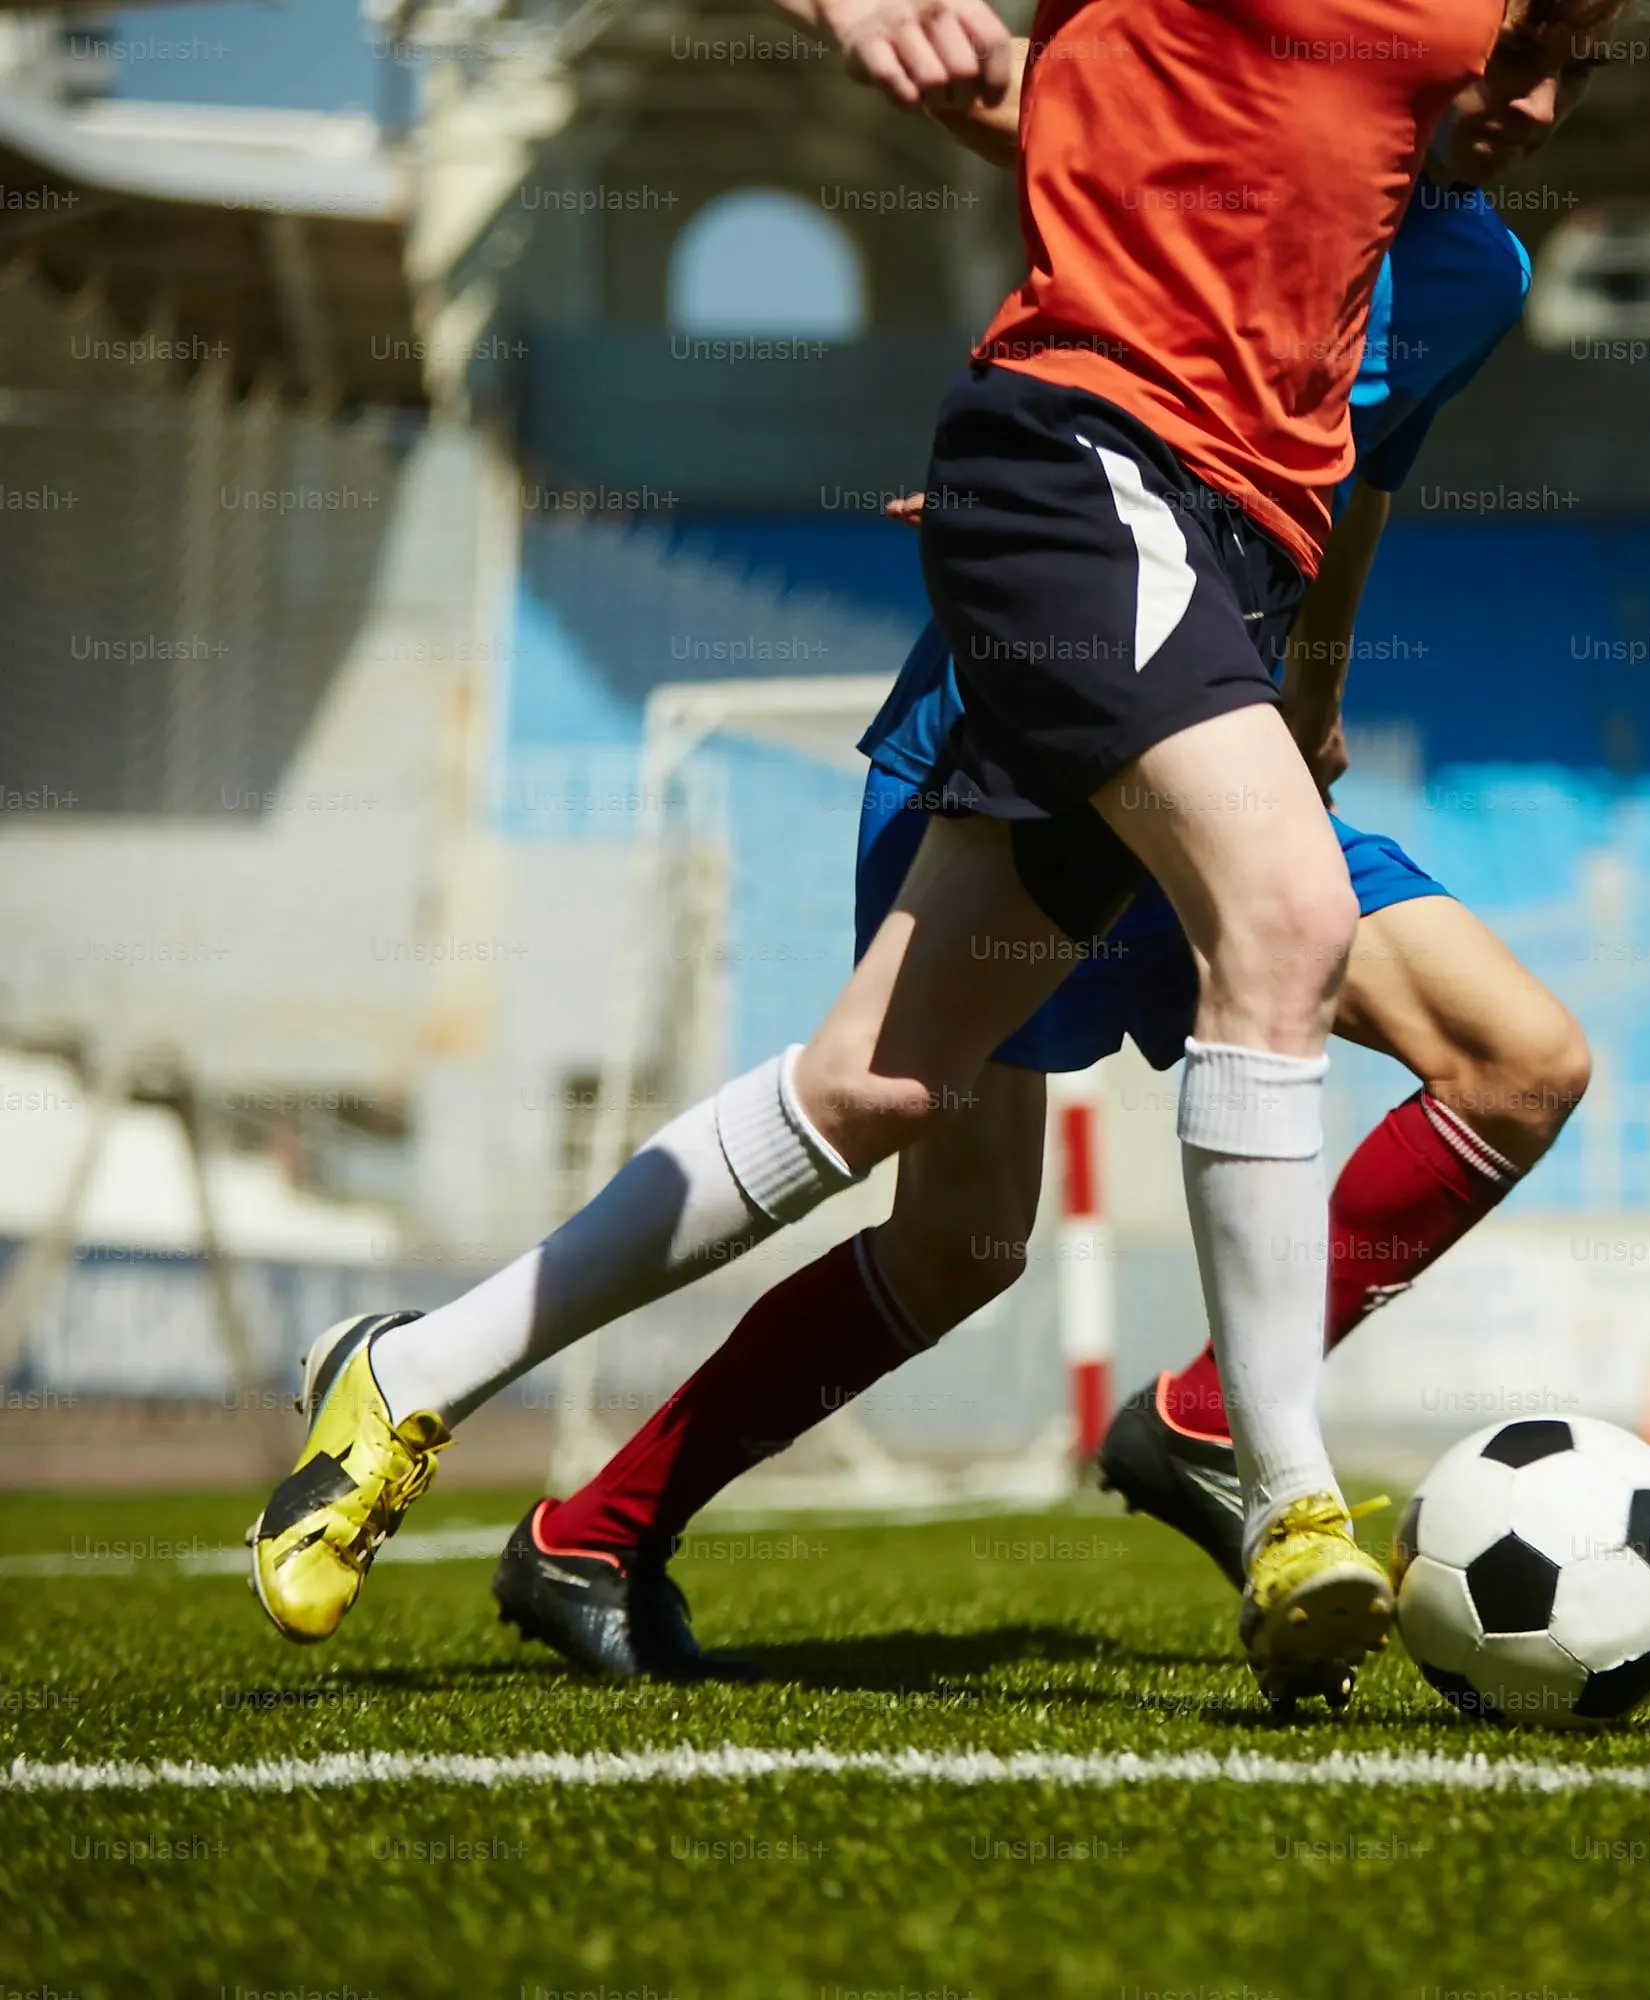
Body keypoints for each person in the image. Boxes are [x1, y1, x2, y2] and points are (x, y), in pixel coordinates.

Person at [248, 0, 1580, 1713]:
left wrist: (1312, 694)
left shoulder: (1470, 277)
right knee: (1001, 1177)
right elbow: (1055, 151)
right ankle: (1270, 1487)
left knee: (1500, 1061)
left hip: (1216, 672)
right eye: (1525, 39)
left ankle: (442, 1390)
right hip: (1063, 641)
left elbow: (1356, 477)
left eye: (1583, 64)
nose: (1537, 98)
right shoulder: (1246, 80)